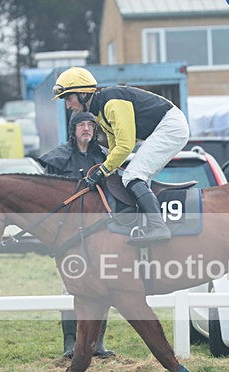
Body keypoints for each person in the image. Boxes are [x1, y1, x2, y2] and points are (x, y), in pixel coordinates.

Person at [51, 66, 189, 244]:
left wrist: (102, 171)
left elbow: (125, 146)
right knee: (129, 175)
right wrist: (106, 167)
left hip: (172, 127)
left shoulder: (112, 103)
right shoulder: (100, 112)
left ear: (83, 94)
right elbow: (115, 146)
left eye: (68, 98)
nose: (68, 105)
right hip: (166, 126)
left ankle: (159, 228)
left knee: (133, 175)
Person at [37, 111, 114, 359]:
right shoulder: (57, 160)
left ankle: (97, 343)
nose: (86, 129)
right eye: (81, 124)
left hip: (99, 233)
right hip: (69, 235)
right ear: (73, 129)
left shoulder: (103, 157)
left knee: (104, 286)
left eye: (90, 125)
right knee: (69, 288)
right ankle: (70, 344)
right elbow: (48, 199)